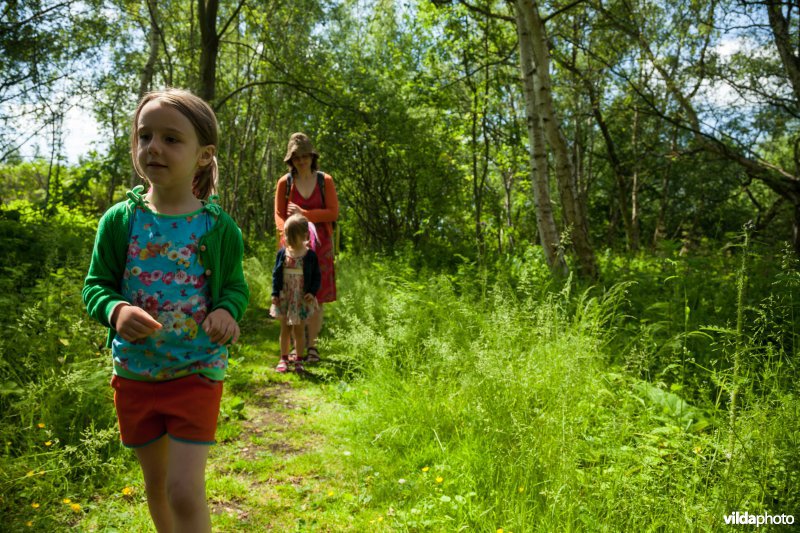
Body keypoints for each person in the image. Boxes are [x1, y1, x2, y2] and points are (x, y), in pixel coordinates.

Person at [82, 88, 249, 533]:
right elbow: (96, 286)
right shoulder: (120, 221)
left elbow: (234, 288)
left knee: (183, 489)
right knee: (156, 485)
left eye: (171, 139)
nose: (154, 146)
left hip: (197, 369)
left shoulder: (218, 228)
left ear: (203, 155)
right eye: (145, 136)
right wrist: (115, 310)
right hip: (136, 373)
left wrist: (227, 312)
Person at [274, 132, 338, 364]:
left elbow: (333, 212)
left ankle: (312, 347)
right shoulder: (285, 182)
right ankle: (294, 346)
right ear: (290, 160)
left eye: (305, 156)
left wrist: (305, 214)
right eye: (296, 158)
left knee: (315, 295)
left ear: (312, 157)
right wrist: (288, 239)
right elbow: (279, 215)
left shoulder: (325, 181)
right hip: (293, 247)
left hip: (321, 247)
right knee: (293, 294)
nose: (301, 161)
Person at [270, 213, 321, 373]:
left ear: (304, 235)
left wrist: (312, 293)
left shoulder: (310, 255)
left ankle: (299, 359)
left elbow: (316, 277)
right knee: (284, 329)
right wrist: (275, 293)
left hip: (300, 298)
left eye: (292, 235)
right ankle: (283, 358)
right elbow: (276, 274)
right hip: (285, 297)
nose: (288, 238)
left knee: (299, 330)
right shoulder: (282, 253)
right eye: (287, 235)